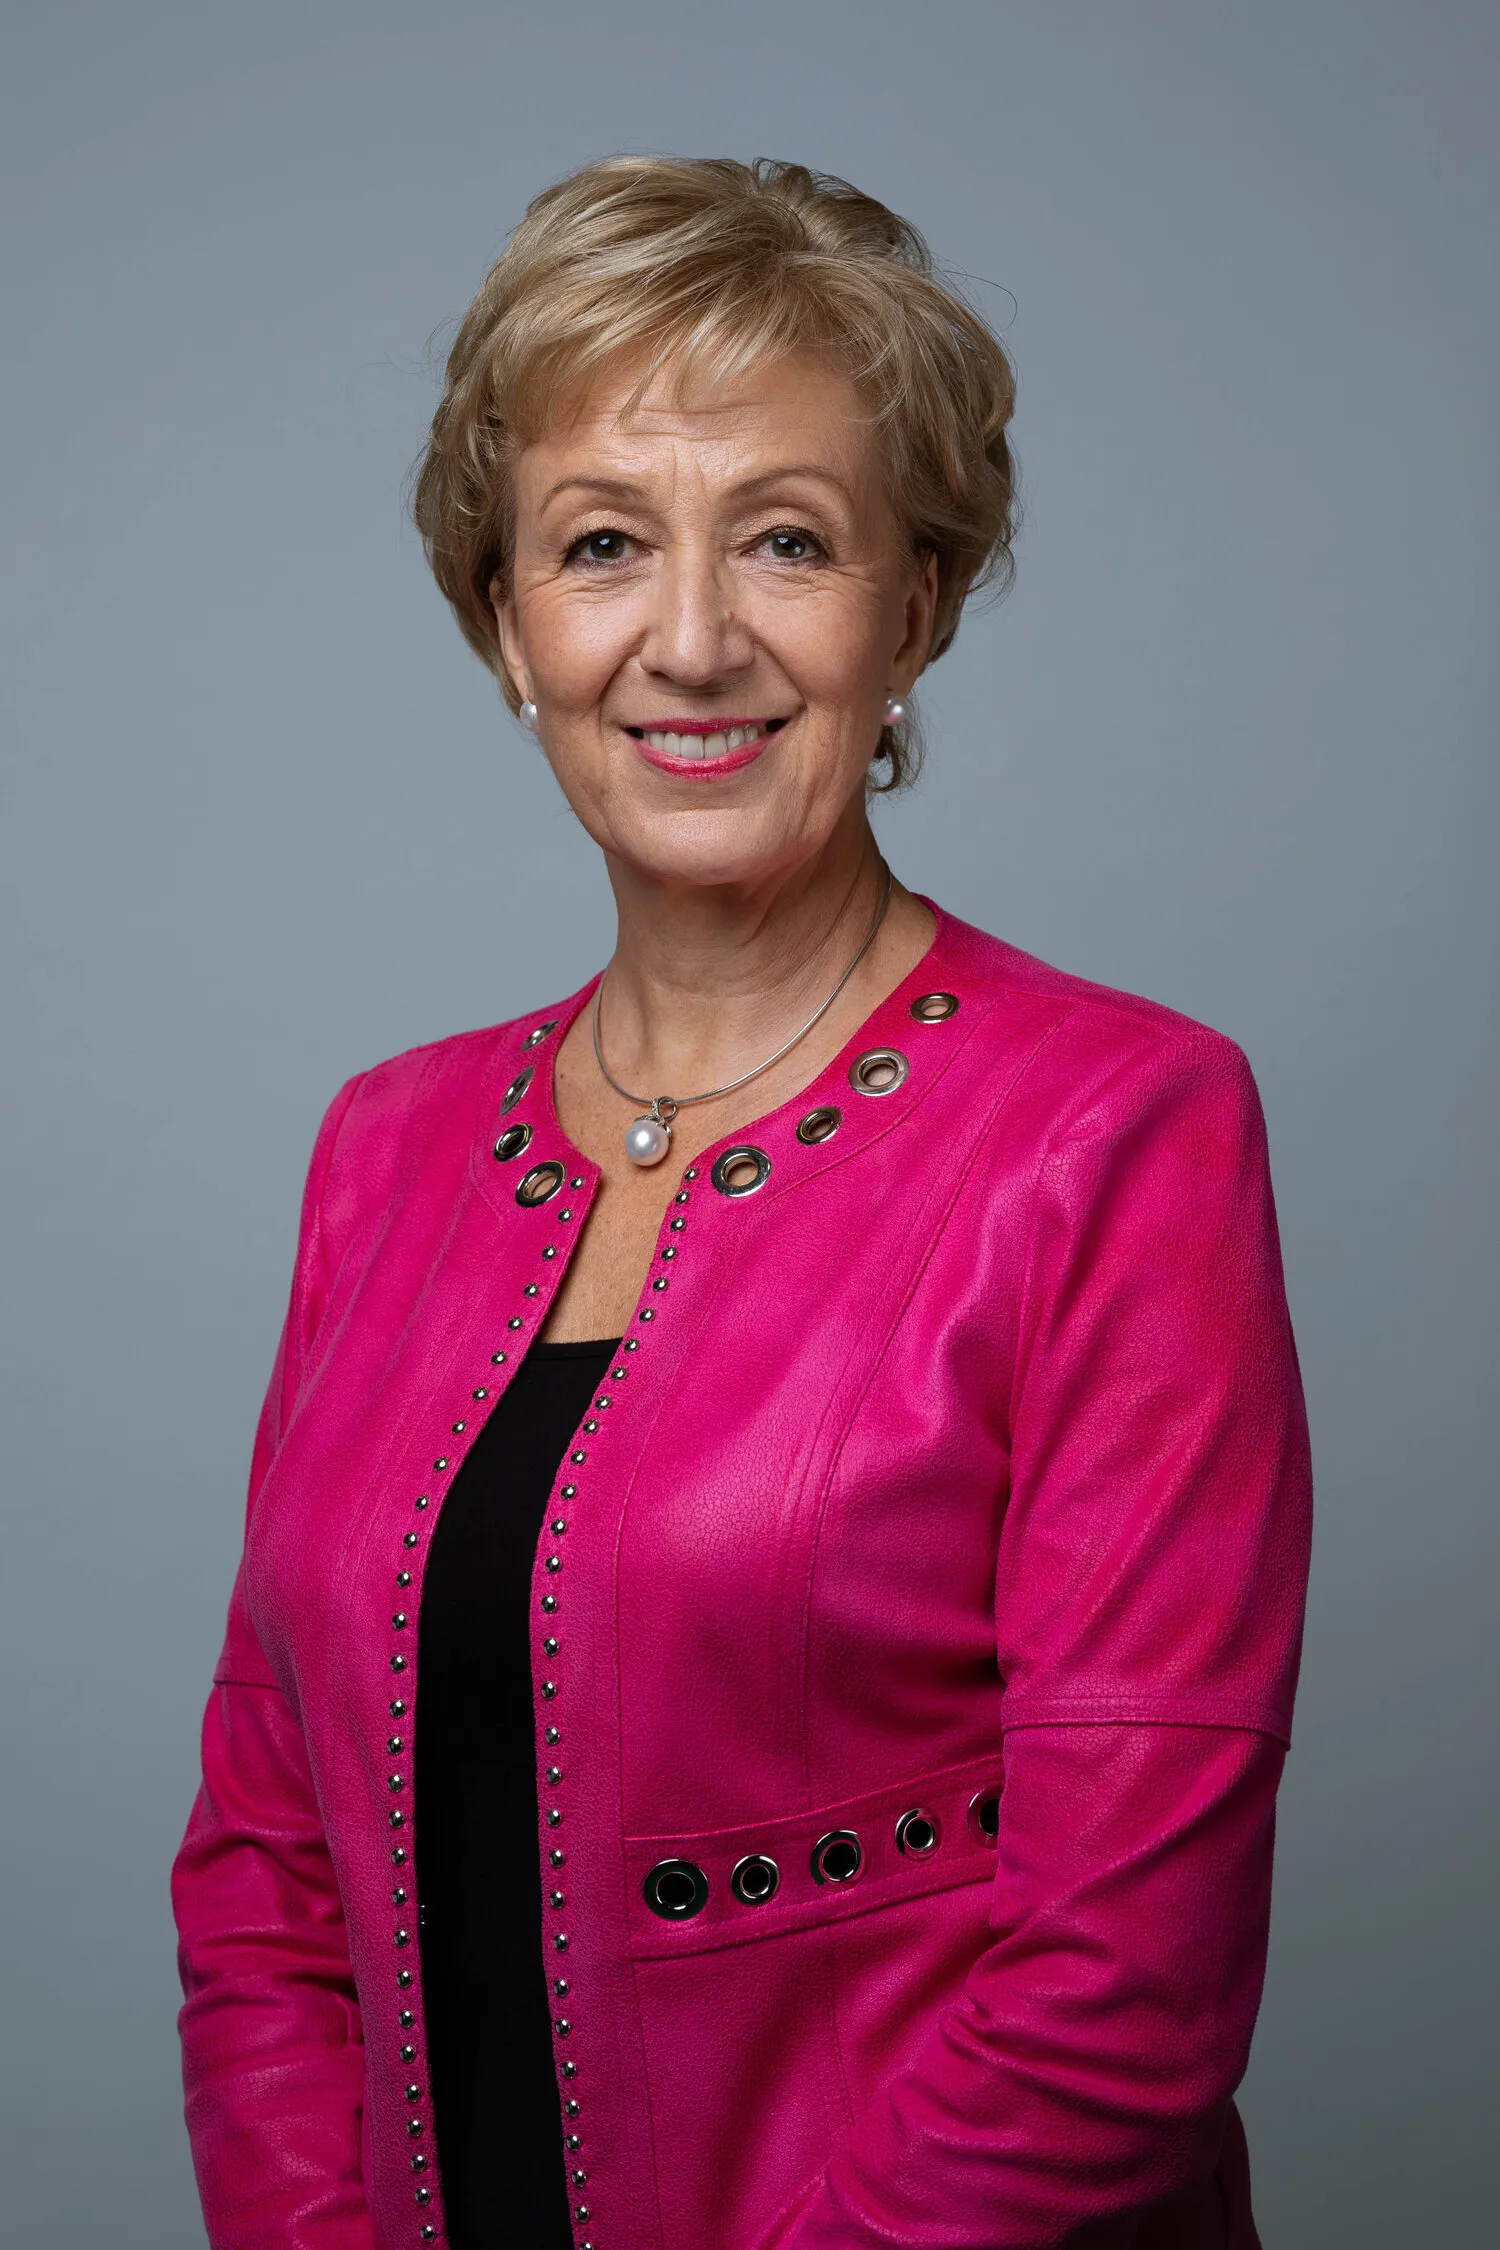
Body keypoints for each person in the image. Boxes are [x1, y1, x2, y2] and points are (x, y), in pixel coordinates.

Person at [172, 155, 1311, 2250]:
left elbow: (1120, 1991)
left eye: (785, 540)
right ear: (504, 618)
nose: (691, 642)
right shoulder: (385, 1150)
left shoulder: (1121, 1128)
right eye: (603, 544)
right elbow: (269, 1877)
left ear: (915, 603)